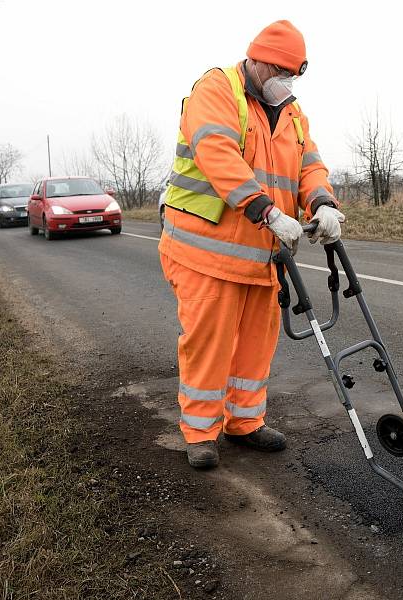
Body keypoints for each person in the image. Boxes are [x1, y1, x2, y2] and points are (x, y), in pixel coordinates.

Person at [158, 20, 345, 469]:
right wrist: (269, 211)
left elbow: (309, 165)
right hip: (205, 252)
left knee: (255, 346)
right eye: (281, 72)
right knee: (209, 343)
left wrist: (323, 203)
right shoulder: (217, 90)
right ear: (258, 61)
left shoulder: (294, 114)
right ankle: (201, 433)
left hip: (263, 256)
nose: (287, 83)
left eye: (294, 76)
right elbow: (217, 155)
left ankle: (245, 422)